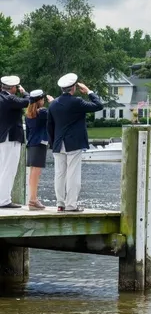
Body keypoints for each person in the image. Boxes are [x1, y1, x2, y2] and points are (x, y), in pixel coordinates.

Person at [47, 73, 104, 212]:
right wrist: (89, 91)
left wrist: (53, 143)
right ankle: (71, 205)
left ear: (62, 88)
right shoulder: (77, 102)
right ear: (73, 88)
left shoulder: (53, 104)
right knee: (73, 174)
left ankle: (60, 203)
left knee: (59, 174)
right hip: (73, 143)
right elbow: (98, 105)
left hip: (58, 143)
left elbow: (50, 126)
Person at [0, 75, 29, 209]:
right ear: (12, 88)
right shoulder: (10, 98)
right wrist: (24, 92)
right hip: (10, 137)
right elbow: (27, 102)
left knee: (2, 168)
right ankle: (4, 200)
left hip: (2, 137)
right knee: (9, 169)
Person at [25, 89, 54, 210]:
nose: (44, 102)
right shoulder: (42, 112)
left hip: (31, 143)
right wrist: (53, 102)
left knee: (32, 172)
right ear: (39, 101)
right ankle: (33, 200)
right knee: (36, 174)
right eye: (42, 99)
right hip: (39, 144)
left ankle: (33, 198)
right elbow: (54, 114)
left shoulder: (28, 113)